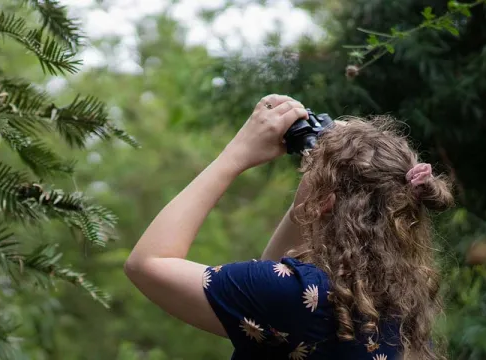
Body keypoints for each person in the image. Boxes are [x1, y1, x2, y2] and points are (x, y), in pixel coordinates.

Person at [123, 94, 453, 360]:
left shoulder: (293, 295)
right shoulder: (397, 305)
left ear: (326, 199)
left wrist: (236, 153)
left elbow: (148, 264)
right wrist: (318, 184)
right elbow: (274, 270)